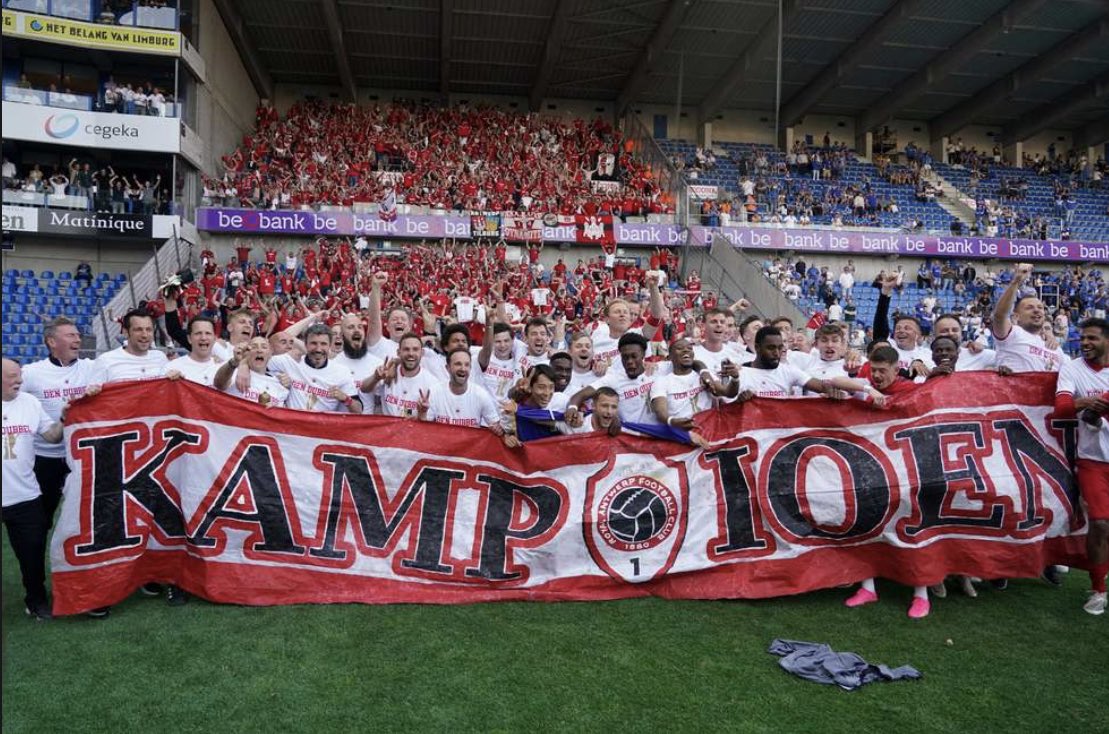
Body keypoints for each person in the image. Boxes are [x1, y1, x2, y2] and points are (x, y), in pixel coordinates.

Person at [845, 345, 934, 618]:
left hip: (906, 470)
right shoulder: (866, 384)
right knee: (866, 523)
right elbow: (834, 383)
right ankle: (868, 586)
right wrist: (869, 390)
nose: (878, 376)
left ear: (898, 370)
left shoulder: (910, 391)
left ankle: (921, 593)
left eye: (883, 371)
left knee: (913, 527)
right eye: (874, 370)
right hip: (870, 470)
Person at [2, 358, 65, 621]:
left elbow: (51, 436)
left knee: (33, 551)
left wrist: (64, 419)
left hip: (25, 494)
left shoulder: (30, 403)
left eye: (19, 375)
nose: (19, 380)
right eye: (12, 376)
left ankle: (36, 600)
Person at [1054, 318, 1109, 615]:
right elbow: (1061, 408)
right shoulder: (1073, 368)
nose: (1085, 343)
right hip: (1094, 460)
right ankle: (1098, 588)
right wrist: (1087, 403)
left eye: (1092, 338)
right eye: (1082, 338)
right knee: (1100, 524)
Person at [20, 318, 94, 530]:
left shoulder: (91, 368)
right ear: (52, 341)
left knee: (87, 516)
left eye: (78, 335)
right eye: (71, 335)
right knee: (41, 519)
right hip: (45, 459)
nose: (78, 339)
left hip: (82, 456)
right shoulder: (32, 373)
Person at [567, 332, 663, 427]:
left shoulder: (658, 370)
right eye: (625, 357)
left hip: (658, 435)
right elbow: (580, 395)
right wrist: (572, 408)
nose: (629, 361)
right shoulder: (614, 379)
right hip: (631, 436)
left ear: (643, 355)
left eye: (634, 356)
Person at [269, 324, 362, 413]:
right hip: (293, 425)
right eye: (313, 343)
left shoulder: (342, 372)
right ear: (305, 344)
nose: (318, 349)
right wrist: (279, 380)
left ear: (330, 346)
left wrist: (345, 398)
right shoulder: (290, 362)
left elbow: (358, 410)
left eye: (323, 344)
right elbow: (257, 365)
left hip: (322, 427)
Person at [418, 349, 502, 431]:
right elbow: (424, 431)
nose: (463, 369)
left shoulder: (481, 394)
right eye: (458, 364)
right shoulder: (434, 392)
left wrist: (497, 429)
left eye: (467, 365)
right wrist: (422, 413)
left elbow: (495, 426)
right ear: (448, 368)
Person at [362, 333, 440, 418]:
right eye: (406, 349)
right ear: (398, 352)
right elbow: (364, 388)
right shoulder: (388, 372)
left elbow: (427, 423)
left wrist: (421, 413)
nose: (411, 353)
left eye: (415, 349)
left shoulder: (432, 383)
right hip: (386, 429)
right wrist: (376, 377)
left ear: (422, 353)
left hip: (413, 430)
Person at [214, 337, 290, 408]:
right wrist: (235, 361)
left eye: (264, 347)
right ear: (247, 353)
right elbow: (219, 384)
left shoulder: (279, 384)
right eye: (254, 347)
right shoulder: (234, 372)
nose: (259, 350)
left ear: (270, 354)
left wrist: (273, 411)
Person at [331, 313, 384, 414]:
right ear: (342, 336)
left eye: (360, 327)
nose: (356, 330)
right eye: (351, 327)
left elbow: (380, 403)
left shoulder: (378, 364)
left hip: (367, 426)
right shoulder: (334, 365)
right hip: (341, 425)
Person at [162, 316, 224, 386]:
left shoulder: (224, 368)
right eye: (198, 333)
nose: (203, 338)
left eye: (208, 333)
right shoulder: (171, 367)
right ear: (189, 339)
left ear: (215, 338)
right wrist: (168, 383)